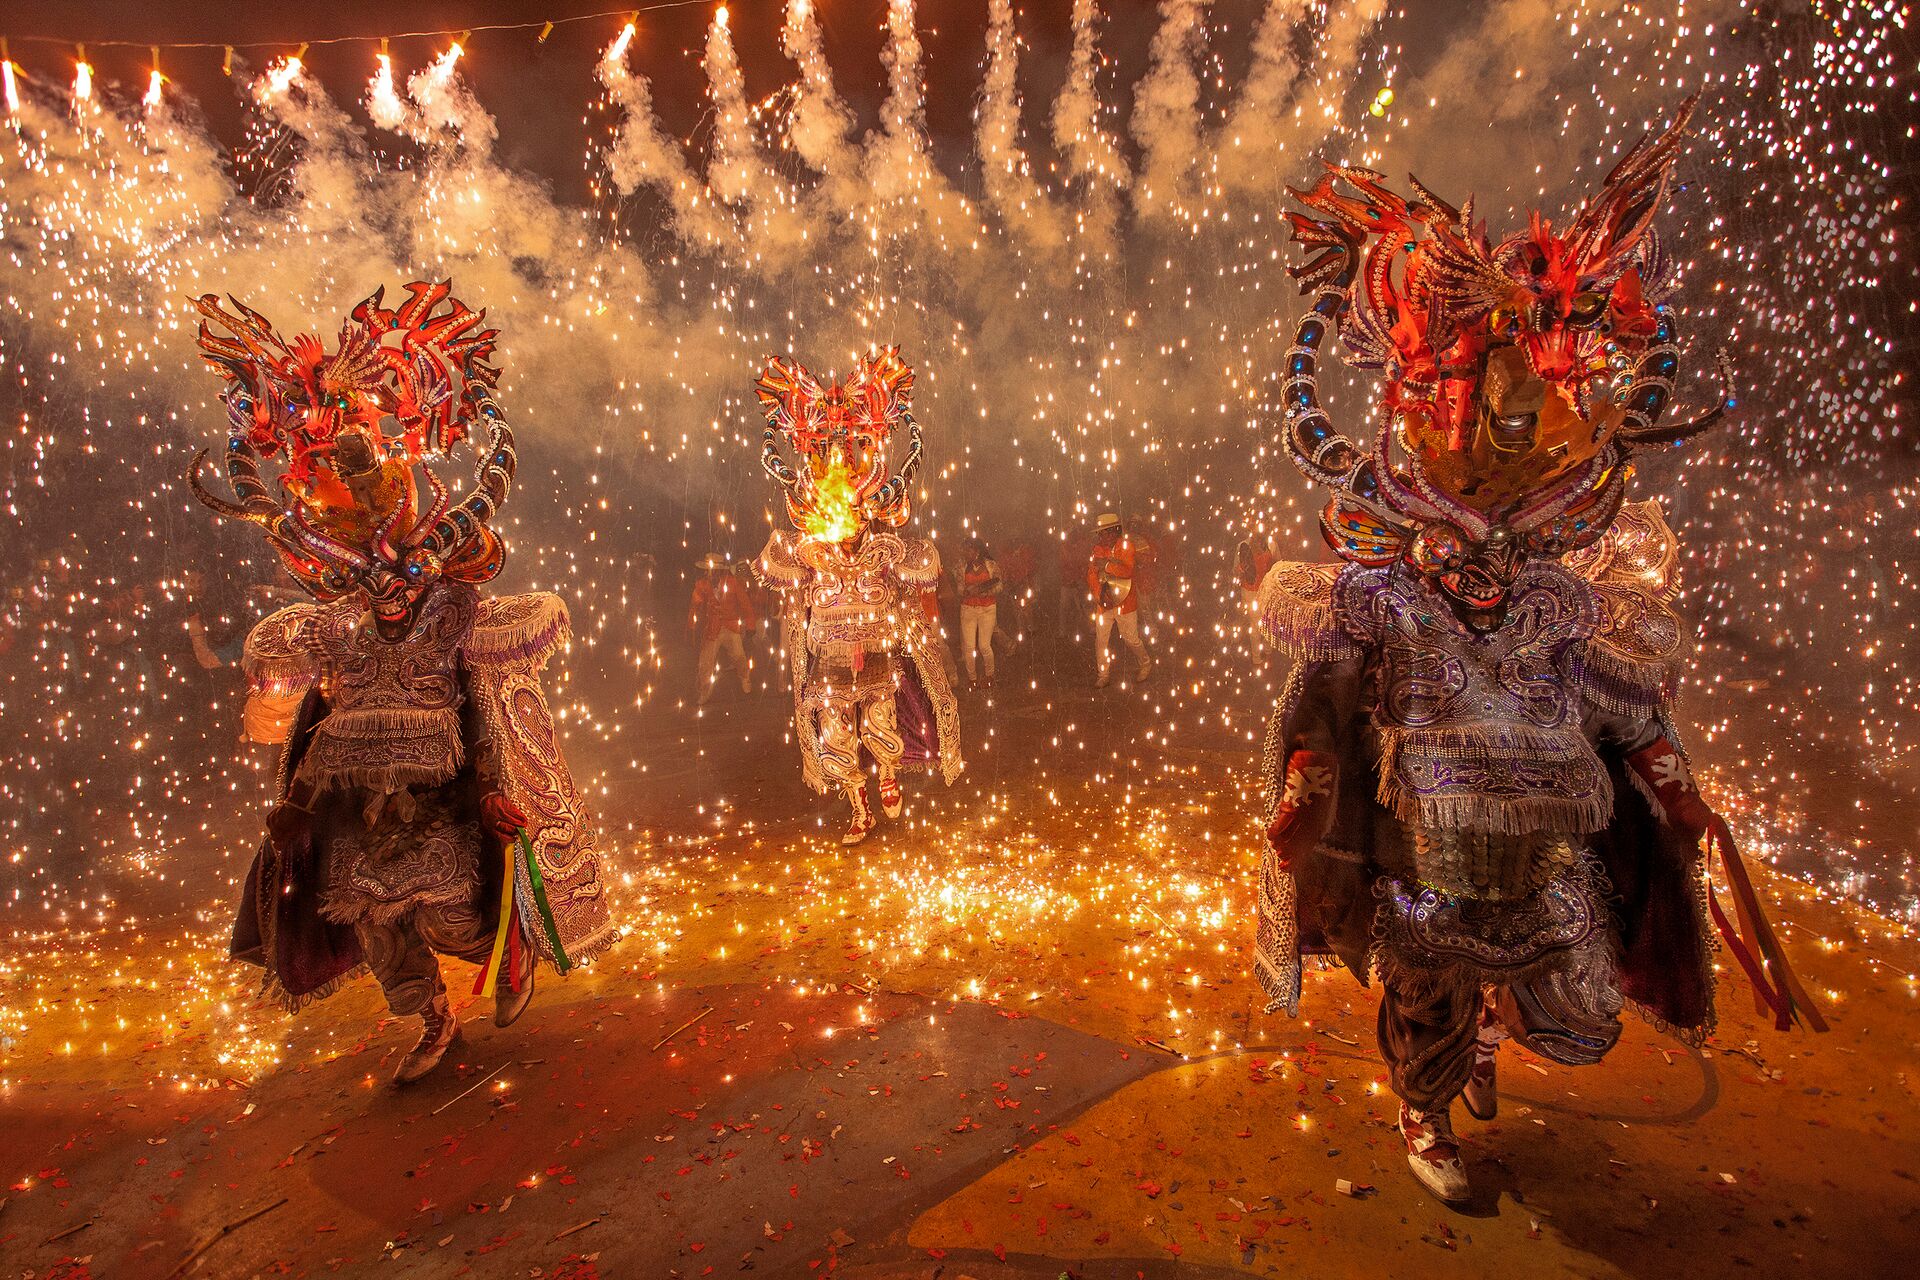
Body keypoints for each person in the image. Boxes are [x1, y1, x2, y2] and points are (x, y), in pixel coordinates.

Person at [1256, 100, 1822, 1204]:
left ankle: (1479, 1042)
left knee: (1564, 974)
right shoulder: (1385, 591)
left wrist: (1677, 785)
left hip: (1547, 844)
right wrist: (1305, 783)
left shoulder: (1570, 594)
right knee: (1428, 969)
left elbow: (1624, 705)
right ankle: (1424, 1108)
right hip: (1426, 841)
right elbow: (1328, 694)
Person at [190, 281, 614, 1085]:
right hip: (362, 809)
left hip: (446, 799)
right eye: (369, 577)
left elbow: (482, 712)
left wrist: (492, 788)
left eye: (402, 574)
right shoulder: (336, 628)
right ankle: (432, 1021)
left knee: (456, 915)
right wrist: (298, 808)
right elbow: (318, 732)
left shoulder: (454, 613)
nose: (388, 590)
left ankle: (509, 951)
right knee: (379, 924)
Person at [754, 348, 963, 844]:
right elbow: (771, 566)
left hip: (874, 649)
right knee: (837, 734)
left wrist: (889, 553)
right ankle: (858, 806)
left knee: (879, 721)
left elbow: (926, 565)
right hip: (827, 654)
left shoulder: (883, 546)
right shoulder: (810, 550)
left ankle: (888, 774)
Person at [1086, 512, 1153, 688]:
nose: (1101, 537)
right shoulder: (1097, 550)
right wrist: (1099, 596)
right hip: (1104, 603)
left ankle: (1145, 663)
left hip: (1126, 603)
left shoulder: (1126, 546)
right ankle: (1103, 674)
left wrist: (1106, 565)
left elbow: (1127, 571)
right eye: (1099, 533)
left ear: (1115, 531)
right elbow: (1092, 575)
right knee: (1101, 640)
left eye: (1104, 532)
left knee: (1131, 639)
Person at [689, 554, 758, 704]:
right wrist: (691, 628)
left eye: (713, 570)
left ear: (720, 570)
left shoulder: (733, 583)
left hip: (731, 626)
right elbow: (694, 608)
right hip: (712, 628)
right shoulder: (702, 584)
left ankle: (746, 683)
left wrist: (751, 625)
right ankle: (703, 693)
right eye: (708, 570)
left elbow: (745, 605)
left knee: (739, 657)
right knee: (705, 663)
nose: (710, 573)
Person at [956, 538, 1001, 689]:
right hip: (968, 609)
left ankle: (989, 676)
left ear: (977, 551)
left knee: (984, 646)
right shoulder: (962, 566)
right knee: (969, 647)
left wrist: (982, 591)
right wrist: (966, 591)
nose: (965, 552)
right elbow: (960, 589)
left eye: (968, 549)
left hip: (987, 609)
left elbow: (999, 585)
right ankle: (972, 679)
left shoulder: (990, 565)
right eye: (964, 549)